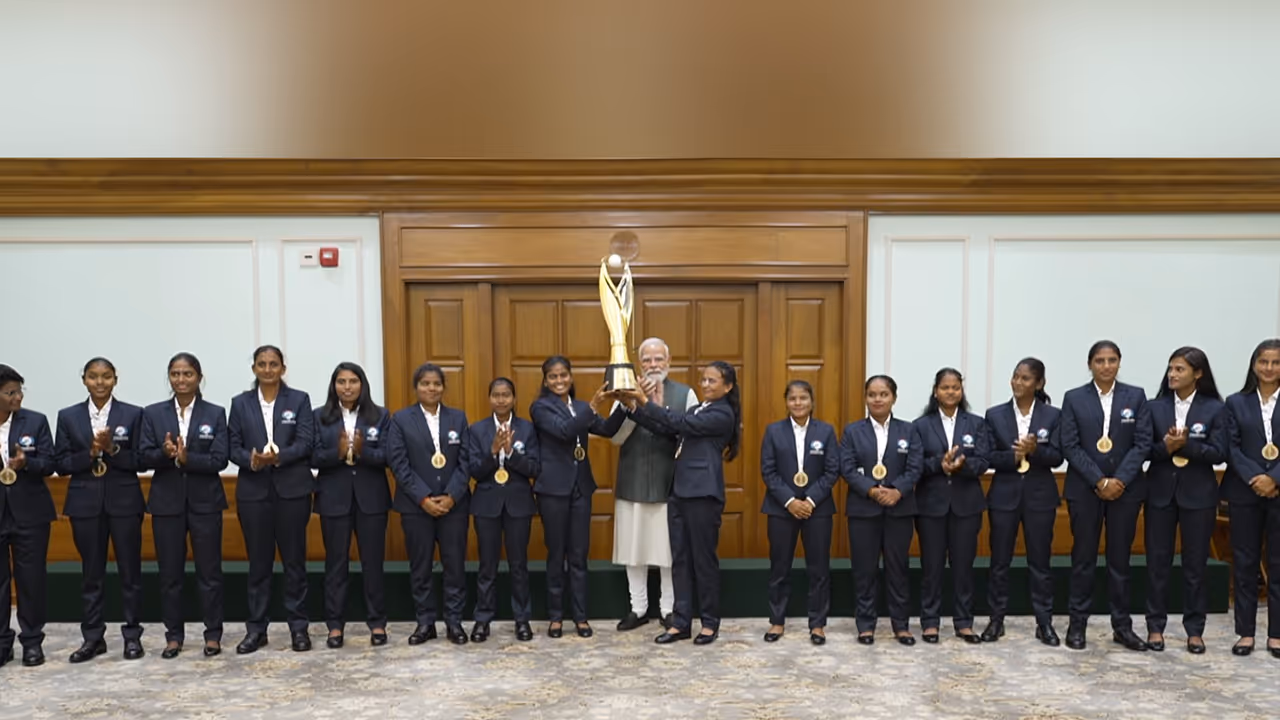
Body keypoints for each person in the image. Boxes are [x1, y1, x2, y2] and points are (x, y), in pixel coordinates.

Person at [619, 360, 740, 646]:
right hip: (680, 491)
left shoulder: (723, 413)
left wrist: (645, 400)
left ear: (728, 386)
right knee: (681, 560)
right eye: (704, 380)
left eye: (713, 381)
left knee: (703, 561)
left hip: (703, 494)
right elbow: (670, 429)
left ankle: (709, 623)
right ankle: (681, 622)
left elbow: (679, 422)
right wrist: (635, 409)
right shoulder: (699, 408)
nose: (706, 385)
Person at [1060, 340, 1152, 652]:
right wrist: (1099, 480)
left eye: (1112, 360)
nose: (1106, 366)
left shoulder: (1136, 396)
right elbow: (1069, 445)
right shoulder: (1074, 398)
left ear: (1119, 363)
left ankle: (1122, 627)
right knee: (1083, 559)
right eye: (1100, 360)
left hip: (1125, 492)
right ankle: (1077, 624)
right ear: (1090, 364)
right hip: (1085, 490)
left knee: (1119, 560)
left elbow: (1143, 443)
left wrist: (1120, 481)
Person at [55, 357, 147, 662]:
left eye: (106, 377)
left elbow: (141, 461)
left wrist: (112, 450)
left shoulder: (133, 414)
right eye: (93, 377)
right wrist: (91, 453)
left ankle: (132, 636)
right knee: (91, 573)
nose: (99, 382)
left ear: (115, 380)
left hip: (124, 501)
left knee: (129, 572)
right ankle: (93, 637)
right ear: (83, 379)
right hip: (84, 503)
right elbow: (61, 464)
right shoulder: (68, 416)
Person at [139, 352, 229, 658]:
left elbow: (219, 459)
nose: (181, 379)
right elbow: (142, 457)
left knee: (210, 572)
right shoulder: (152, 414)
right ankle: (173, 636)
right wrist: (165, 454)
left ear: (199, 378)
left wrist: (189, 458)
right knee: (170, 574)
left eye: (187, 374)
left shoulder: (215, 413)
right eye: (175, 374)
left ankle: (213, 634)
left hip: (206, 502)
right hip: (166, 503)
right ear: (169, 378)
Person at [228, 345, 315, 654]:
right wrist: (250, 460)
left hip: (292, 491)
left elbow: (306, 441)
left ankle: (298, 628)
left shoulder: (299, 400)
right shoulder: (240, 404)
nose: (268, 369)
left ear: (283, 368)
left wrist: (277, 458)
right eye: (262, 364)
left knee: (294, 563)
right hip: (254, 493)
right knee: (259, 564)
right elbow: (232, 445)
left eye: (273, 364)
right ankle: (256, 630)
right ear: (254, 369)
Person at [608, 338, 695, 631]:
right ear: (639, 364)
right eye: (647, 360)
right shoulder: (626, 392)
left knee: (668, 552)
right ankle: (638, 607)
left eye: (659, 359)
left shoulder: (686, 394)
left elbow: (691, 435)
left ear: (669, 362)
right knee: (634, 550)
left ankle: (668, 609)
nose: (653, 365)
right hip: (632, 480)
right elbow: (615, 437)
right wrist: (633, 404)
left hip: (670, 483)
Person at [528, 356, 617, 638]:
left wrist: (628, 405)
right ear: (545, 381)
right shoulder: (540, 407)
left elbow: (607, 429)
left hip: (580, 488)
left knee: (579, 556)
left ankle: (580, 616)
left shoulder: (579, 407)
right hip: (552, 489)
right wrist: (592, 407)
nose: (559, 381)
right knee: (557, 554)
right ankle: (556, 617)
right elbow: (565, 431)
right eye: (553, 377)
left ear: (570, 377)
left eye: (563, 375)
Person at [1144, 346, 1224, 654]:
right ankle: (1155, 627)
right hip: (1160, 493)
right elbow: (1145, 451)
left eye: (1180, 369)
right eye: (1171, 369)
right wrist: (1166, 447)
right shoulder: (1154, 407)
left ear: (1198, 373)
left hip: (1199, 494)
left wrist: (1186, 446)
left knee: (1195, 564)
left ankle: (1194, 630)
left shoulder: (1215, 408)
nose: (1173, 374)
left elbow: (1219, 452)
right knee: (1157, 563)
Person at [386, 362, 472, 646]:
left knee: (454, 566)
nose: (431, 388)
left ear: (443, 388)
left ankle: (454, 622)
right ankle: (425, 623)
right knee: (420, 567)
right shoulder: (400, 420)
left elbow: (465, 462)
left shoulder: (458, 419)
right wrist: (423, 498)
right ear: (416, 387)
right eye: (425, 383)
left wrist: (451, 496)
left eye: (436, 384)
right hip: (415, 507)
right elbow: (399, 464)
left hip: (453, 507)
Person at [981, 358, 1063, 645]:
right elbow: (988, 456)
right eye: (1015, 377)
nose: (1018, 382)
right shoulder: (995, 415)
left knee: (1040, 562)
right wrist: (1014, 456)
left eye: (1025, 378)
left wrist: (1035, 451)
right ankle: (996, 620)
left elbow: (1058, 457)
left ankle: (1044, 623)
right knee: (999, 561)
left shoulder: (1053, 415)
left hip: (1040, 496)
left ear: (1039, 383)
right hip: (1004, 495)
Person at [311, 362, 391, 649]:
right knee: (336, 565)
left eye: (353, 381)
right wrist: (339, 452)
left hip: (371, 499)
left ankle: (378, 623)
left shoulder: (380, 416)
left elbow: (387, 456)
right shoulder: (319, 417)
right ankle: (334, 626)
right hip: (334, 498)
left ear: (362, 384)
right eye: (341, 381)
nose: (347, 387)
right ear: (334, 386)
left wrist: (361, 452)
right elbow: (312, 457)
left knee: (373, 564)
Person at [841, 375, 922, 645]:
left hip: (899, 509)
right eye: (872, 394)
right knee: (865, 569)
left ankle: (901, 625)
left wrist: (897, 490)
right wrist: (872, 490)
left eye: (883, 394)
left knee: (898, 568)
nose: (878, 399)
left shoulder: (909, 430)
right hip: (864, 510)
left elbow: (915, 467)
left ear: (893, 398)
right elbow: (848, 468)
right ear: (865, 398)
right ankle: (866, 625)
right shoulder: (852, 431)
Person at [912, 367, 990, 644]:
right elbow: (914, 465)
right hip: (930, 506)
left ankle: (964, 622)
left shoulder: (977, 424)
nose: (950, 392)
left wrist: (962, 465)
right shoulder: (920, 426)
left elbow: (983, 461)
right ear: (936, 391)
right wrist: (939, 465)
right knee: (931, 567)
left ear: (961, 391)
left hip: (966, 506)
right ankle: (930, 622)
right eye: (945, 387)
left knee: (963, 567)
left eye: (955, 387)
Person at [759, 380, 839, 645]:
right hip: (782, 509)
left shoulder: (826, 431)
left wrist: (811, 500)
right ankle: (777, 621)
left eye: (803, 398)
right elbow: (768, 471)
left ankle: (817, 624)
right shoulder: (773, 431)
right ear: (786, 402)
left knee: (819, 569)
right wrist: (791, 501)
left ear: (811, 401)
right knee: (779, 568)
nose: (798, 403)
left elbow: (831, 471)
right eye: (792, 398)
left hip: (818, 510)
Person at [467, 377, 540, 642]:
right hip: (486, 505)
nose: (501, 399)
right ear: (489, 399)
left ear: (514, 398)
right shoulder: (477, 430)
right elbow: (474, 470)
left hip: (518, 504)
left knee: (518, 565)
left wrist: (510, 453)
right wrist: (493, 451)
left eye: (506, 394)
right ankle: (482, 620)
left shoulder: (528, 430)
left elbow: (534, 468)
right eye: (496, 395)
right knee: (487, 565)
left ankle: (522, 619)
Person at [1223, 338, 1280, 658]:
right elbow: (1230, 447)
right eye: (1264, 362)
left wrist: (1274, 478)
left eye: (1276, 363)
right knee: (1244, 564)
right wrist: (1255, 478)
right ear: (1254, 365)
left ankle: (1277, 634)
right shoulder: (1236, 402)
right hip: (1245, 492)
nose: (1269, 368)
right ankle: (1245, 632)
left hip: (1279, 489)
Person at [0, 364, 56, 668]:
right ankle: (1, 643)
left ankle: (32, 642)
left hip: (31, 513)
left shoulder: (35, 421)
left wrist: (27, 464)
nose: (17, 397)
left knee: (31, 580)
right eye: (10, 392)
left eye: (20, 391)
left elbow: (50, 463)